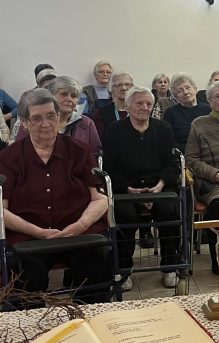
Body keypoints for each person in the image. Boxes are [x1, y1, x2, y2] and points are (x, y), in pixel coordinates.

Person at [0, 89, 110, 303]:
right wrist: (38, 232)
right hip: (29, 237)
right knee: (24, 272)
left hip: (78, 232)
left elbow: (100, 199)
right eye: (37, 118)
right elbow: (1, 210)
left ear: (58, 116)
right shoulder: (8, 158)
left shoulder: (79, 150)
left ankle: (89, 315)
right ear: (24, 122)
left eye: (51, 115)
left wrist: (79, 226)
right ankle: (34, 319)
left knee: (98, 259)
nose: (46, 124)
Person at [102, 86, 180, 289]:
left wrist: (160, 185)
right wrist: (128, 188)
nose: (145, 107)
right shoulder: (114, 130)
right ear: (127, 106)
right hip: (126, 188)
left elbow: (172, 163)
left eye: (148, 104)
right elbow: (109, 166)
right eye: (139, 103)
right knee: (125, 216)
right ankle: (124, 270)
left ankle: (170, 268)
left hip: (159, 186)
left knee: (170, 212)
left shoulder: (163, 128)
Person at [186, 80, 219, 275]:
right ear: (209, 101)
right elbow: (191, 160)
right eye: (218, 96)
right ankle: (218, 257)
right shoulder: (199, 124)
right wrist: (216, 175)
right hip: (211, 182)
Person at [16, 77, 101, 157]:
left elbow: (94, 154)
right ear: (50, 97)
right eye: (63, 94)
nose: (69, 99)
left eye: (73, 96)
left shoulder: (87, 123)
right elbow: (20, 152)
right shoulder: (33, 120)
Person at [163, 73, 210, 154]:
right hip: (184, 155)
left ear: (195, 89)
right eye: (180, 91)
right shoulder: (170, 114)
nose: (185, 92)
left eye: (188, 87)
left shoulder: (209, 109)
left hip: (209, 153)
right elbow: (169, 142)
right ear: (176, 97)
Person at [92, 72, 132, 137]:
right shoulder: (101, 113)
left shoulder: (141, 110)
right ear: (111, 89)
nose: (124, 88)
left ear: (132, 87)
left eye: (127, 84)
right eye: (119, 85)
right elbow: (98, 139)